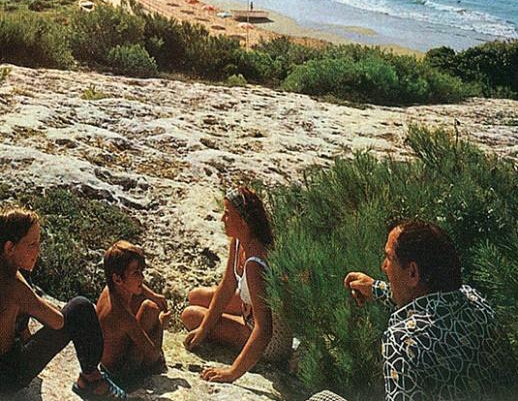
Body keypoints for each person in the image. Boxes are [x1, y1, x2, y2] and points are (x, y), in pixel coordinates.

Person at [308, 220, 516, 401]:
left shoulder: (403, 343)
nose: (383, 266)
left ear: (413, 273)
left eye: (389, 258)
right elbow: (431, 305)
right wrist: (376, 289)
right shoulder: (475, 301)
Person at [0, 206, 126, 400]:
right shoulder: (14, 284)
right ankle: (91, 380)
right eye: (32, 244)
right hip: (7, 377)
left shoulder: (9, 271)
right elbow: (57, 321)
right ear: (10, 247)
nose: (38, 250)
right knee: (80, 308)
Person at [181, 187, 292, 383]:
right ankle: (221, 321)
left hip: (272, 341)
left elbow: (264, 329)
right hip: (249, 310)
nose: (222, 219)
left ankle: (232, 327)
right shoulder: (240, 241)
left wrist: (232, 373)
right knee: (195, 296)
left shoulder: (255, 264)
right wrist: (205, 329)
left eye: (227, 214)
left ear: (243, 221)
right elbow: (227, 286)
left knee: (190, 316)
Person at [96, 240, 171, 387]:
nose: (142, 278)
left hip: (105, 361)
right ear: (117, 278)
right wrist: (161, 325)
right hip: (121, 373)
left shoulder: (111, 289)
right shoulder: (122, 315)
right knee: (151, 310)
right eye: (136, 273)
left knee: (149, 304)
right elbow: (152, 354)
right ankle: (142, 374)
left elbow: (139, 288)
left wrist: (154, 295)